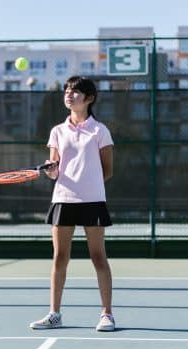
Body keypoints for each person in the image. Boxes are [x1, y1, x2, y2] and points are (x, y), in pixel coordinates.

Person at [29, 76, 115, 332]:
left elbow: (107, 170)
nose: (69, 94)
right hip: (63, 200)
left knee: (98, 257)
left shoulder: (100, 131)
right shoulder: (57, 130)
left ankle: (107, 314)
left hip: (92, 201)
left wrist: (86, 183)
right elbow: (55, 168)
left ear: (89, 98)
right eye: (67, 90)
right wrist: (52, 172)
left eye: (75, 91)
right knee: (59, 258)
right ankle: (55, 314)